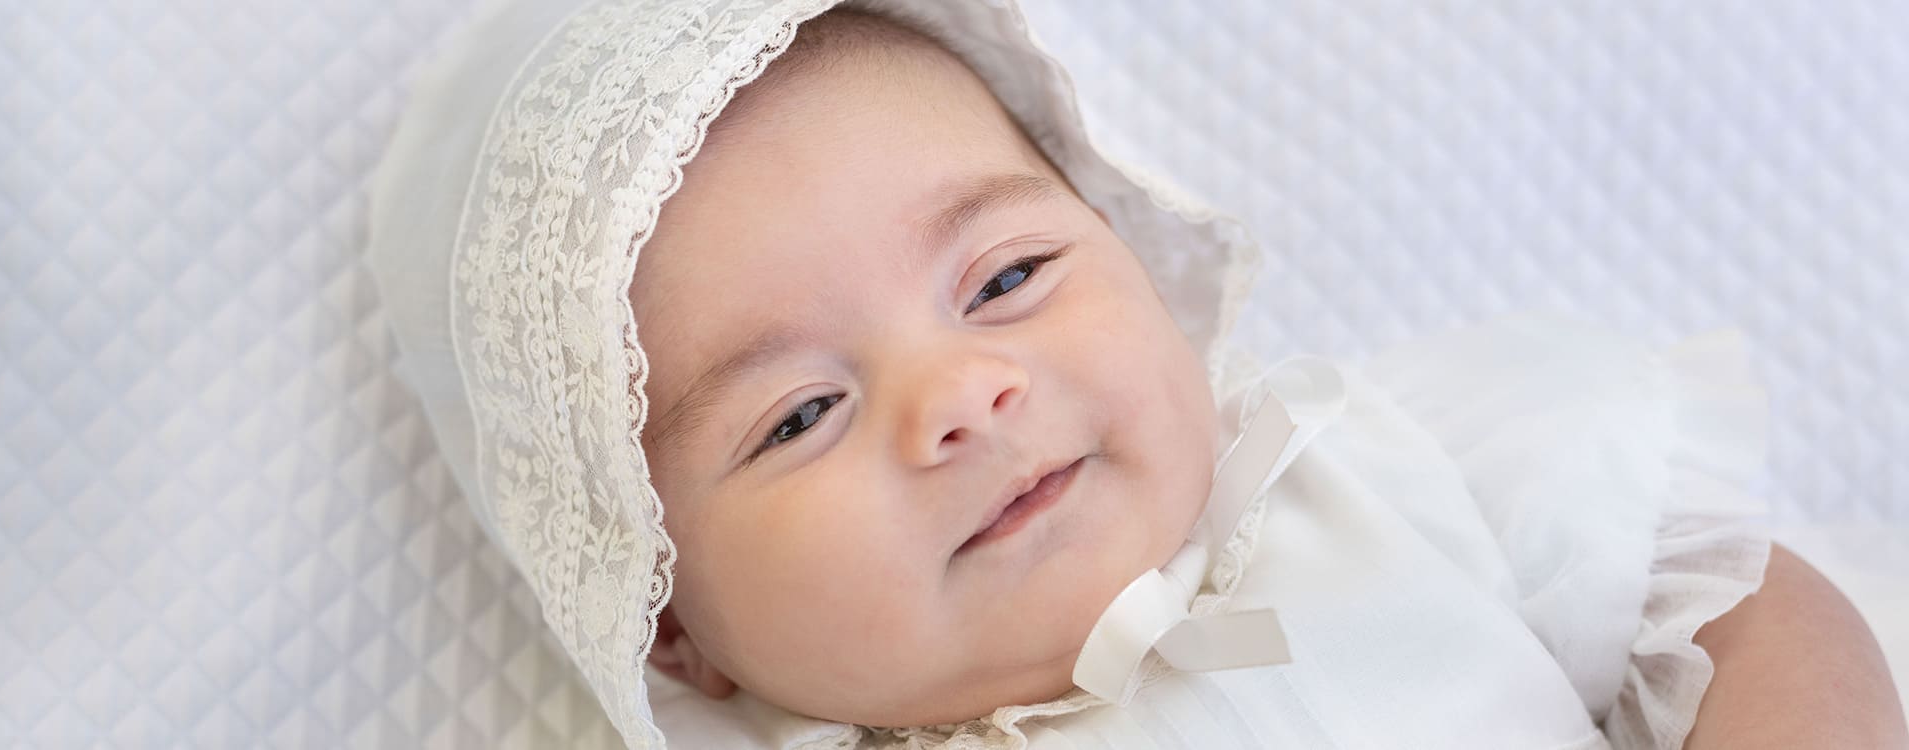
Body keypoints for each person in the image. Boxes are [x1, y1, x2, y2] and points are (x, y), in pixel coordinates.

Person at [362, 0, 1907, 747]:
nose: (961, 397)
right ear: (669, 621)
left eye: (1007, 279)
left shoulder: (1360, 470)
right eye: (802, 412)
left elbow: (1739, 605)